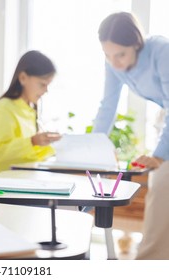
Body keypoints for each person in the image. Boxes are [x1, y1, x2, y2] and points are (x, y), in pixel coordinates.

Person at [93, 12, 169, 259]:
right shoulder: (114, 64)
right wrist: (94, 148)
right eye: (107, 55)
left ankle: (149, 261)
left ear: (137, 43)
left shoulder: (161, 51)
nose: (114, 62)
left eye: (120, 55)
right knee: (160, 187)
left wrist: (159, 156)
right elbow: (108, 106)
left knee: (162, 185)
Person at [0, 50, 62, 176]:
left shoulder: (29, 109)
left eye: (48, 85)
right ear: (23, 78)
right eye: (42, 84)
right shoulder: (3, 109)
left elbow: (28, 155)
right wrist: (33, 141)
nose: (46, 90)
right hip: (1, 183)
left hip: (24, 178)